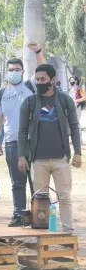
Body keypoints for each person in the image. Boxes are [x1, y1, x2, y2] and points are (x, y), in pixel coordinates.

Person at [18, 64, 82, 232]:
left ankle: (67, 232)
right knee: (40, 200)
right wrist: (21, 156)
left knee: (65, 197)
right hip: (38, 159)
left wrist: (78, 152)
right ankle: (41, 235)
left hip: (61, 158)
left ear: (53, 80)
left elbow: (74, 127)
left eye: (43, 79)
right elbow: (22, 130)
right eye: (37, 79)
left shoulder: (64, 100)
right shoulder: (29, 102)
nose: (39, 82)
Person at [0, 41, 46, 226]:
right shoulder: (2, 93)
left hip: (34, 141)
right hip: (12, 143)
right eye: (10, 69)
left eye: (16, 69)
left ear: (22, 72)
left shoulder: (30, 86)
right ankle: (19, 214)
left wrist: (37, 51)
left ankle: (40, 214)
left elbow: (43, 68)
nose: (13, 72)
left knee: (37, 181)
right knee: (17, 182)